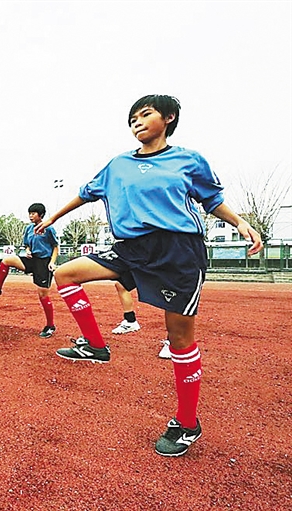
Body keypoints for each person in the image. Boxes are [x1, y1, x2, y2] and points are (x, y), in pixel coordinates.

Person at [35, 94, 263, 457]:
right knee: (65, 274)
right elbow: (84, 193)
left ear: (168, 118)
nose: (137, 122)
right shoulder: (117, 165)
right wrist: (52, 218)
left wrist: (240, 223)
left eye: (145, 115)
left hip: (177, 253)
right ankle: (96, 346)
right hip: (131, 248)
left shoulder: (187, 160)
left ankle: (188, 423)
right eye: (132, 119)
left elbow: (211, 200)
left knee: (179, 339)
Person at [0, 203, 59, 338]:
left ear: (40, 215)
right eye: (29, 213)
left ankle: (50, 326)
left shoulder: (49, 229)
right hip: (32, 259)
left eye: (33, 213)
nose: (30, 216)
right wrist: (28, 250)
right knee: (7, 260)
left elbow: (55, 247)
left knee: (43, 295)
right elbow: (27, 244)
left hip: (44, 263)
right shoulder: (29, 228)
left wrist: (52, 263)